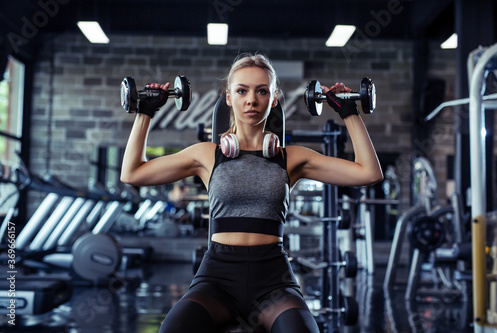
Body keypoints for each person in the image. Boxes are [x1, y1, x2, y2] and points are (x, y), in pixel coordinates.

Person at [120, 53, 383, 333]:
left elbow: (369, 172)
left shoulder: (290, 158)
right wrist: (145, 112)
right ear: (229, 98)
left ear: (273, 98)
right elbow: (132, 173)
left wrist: (349, 111)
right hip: (216, 278)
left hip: (274, 279)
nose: (251, 100)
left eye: (262, 91)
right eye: (242, 90)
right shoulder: (208, 155)